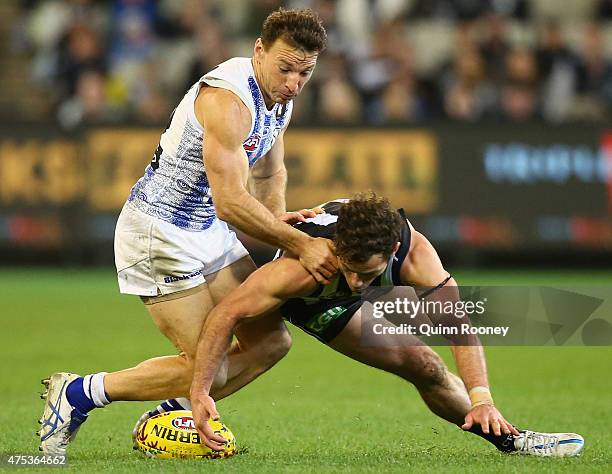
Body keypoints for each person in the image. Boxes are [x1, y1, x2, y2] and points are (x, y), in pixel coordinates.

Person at [39, 8, 337, 456]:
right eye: (286, 68)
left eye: (305, 72)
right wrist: (299, 244)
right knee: (209, 369)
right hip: (158, 233)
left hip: (208, 232)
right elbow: (231, 202)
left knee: (271, 341)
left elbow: (271, 174)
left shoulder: (281, 99)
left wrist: (278, 232)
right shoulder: (228, 100)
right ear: (259, 51)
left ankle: (172, 412)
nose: (294, 82)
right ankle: (79, 394)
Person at [189, 194, 584, 457]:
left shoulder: (415, 254)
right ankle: (176, 406)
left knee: (432, 362)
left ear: (393, 250)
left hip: (373, 277)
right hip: (318, 299)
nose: (359, 282)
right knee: (417, 360)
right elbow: (226, 314)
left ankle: (504, 435)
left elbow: (457, 323)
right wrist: (202, 389)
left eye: (368, 272)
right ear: (338, 248)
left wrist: (482, 397)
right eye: (352, 270)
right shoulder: (300, 272)